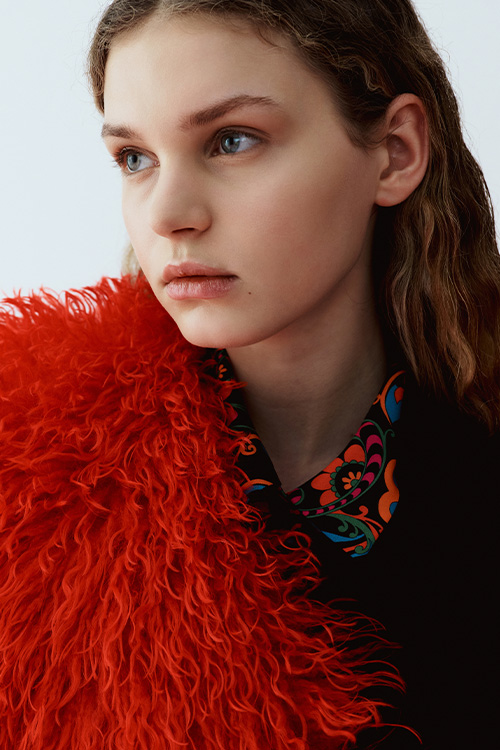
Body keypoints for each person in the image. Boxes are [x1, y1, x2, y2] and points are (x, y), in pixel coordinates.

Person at [0, 0, 498, 748]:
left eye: (232, 140)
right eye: (135, 158)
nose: (168, 212)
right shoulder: (32, 480)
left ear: (396, 152)